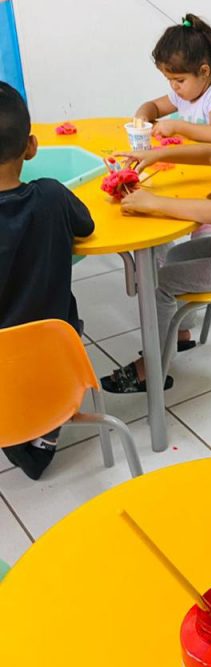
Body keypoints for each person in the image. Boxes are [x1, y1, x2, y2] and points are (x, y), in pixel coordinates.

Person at [101, 87, 211, 393]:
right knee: (170, 259)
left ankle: (151, 370)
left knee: (161, 285)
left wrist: (154, 202)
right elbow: (210, 154)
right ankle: (179, 334)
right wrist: (155, 154)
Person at [0, 81, 94, 478]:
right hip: (56, 353)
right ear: (31, 147)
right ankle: (42, 434)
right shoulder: (52, 196)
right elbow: (86, 226)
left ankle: (17, 429)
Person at [134, 13, 211, 144]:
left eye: (180, 80)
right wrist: (142, 116)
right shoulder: (181, 96)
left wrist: (177, 127)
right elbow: (154, 106)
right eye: (169, 79)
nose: (174, 86)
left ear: (204, 71)